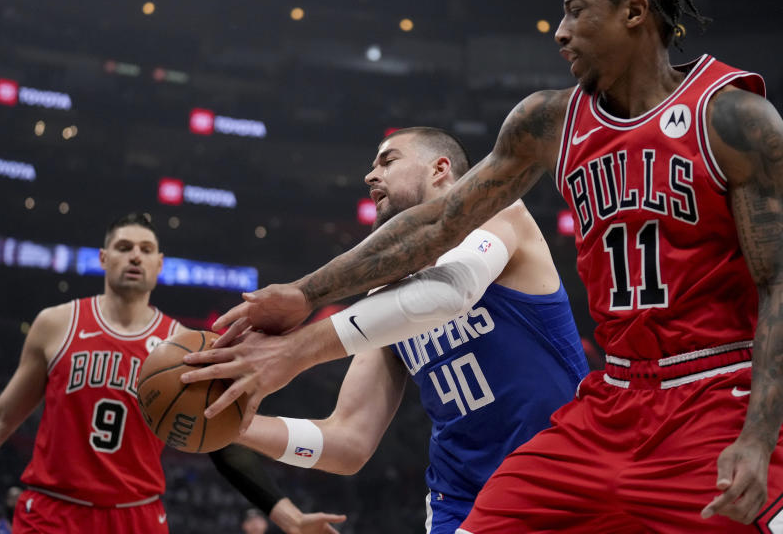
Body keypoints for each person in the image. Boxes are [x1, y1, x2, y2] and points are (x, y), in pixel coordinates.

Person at [194, 0, 783, 533]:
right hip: (612, 402)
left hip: (713, 395)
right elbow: (435, 230)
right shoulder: (549, 121)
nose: (560, 31)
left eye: (576, 10)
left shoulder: (733, 118)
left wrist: (760, 435)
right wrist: (303, 295)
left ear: (636, 12)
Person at [184, 127, 589, 533]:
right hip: (463, 498)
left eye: (387, 161)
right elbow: (347, 442)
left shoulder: (502, 212)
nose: (369, 175)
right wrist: (238, 426)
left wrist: (295, 350)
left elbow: (452, 291)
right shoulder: (384, 300)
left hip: (559, 471)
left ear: (440, 169)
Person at [0, 213, 345, 534]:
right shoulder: (57, 323)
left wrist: (285, 514)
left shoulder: (184, 343)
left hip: (135, 514)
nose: (135, 255)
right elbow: (0, 418)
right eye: (124, 247)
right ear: (104, 259)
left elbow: (222, 438)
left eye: (145, 249)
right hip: (51, 510)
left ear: (160, 265)